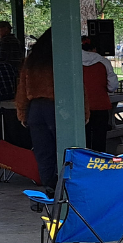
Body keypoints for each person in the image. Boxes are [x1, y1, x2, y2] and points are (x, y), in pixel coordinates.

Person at [15, 29, 89, 189]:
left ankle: (49, 187)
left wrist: (22, 113)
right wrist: (84, 111)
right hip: (60, 108)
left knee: (43, 153)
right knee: (66, 149)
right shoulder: (64, 60)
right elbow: (78, 87)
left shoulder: (31, 60)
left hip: (36, 109)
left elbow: (22, 89)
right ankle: (66, 188)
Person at [81, 35, 118, 153]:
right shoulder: (104, 62)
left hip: (81, 107)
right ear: (95, 48)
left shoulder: (73, 62)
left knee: (84, 140)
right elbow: (112, 86)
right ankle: (99, 161)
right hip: (101, 105)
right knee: (99, 140)